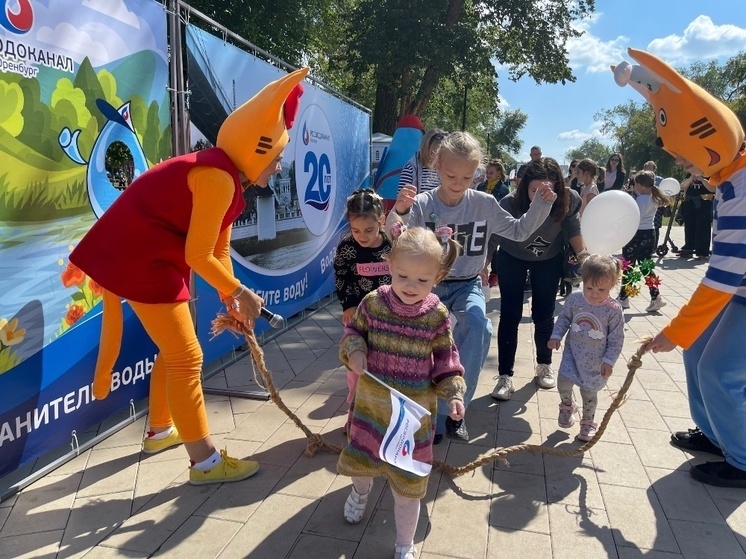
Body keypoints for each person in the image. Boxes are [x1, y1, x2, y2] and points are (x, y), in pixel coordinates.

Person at [70, 68, 310, 485]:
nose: (278, 167)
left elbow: (217, 251)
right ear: (258, 148)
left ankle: (160, 430)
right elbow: (198, 255)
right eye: (276, 157)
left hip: (150, 257)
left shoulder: (226, 177)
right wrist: (242, 294)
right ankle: (205, 464)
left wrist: (231, 299)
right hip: (143, 260)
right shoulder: (218, 179)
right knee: (188, 358)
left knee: (176, 351)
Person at [615, 47, 746, 487]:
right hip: (740, 291)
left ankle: (743, 459)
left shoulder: (741, 188)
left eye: (688, 160)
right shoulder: (731, 178)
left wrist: (675, 331)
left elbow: (720, 279)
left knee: (719, 370)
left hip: (739, 292)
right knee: (698, 355)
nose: (684, 167)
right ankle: (716, 434)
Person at [387, 132, 556, 442]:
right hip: (428, 287)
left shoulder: (483, 203)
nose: (458, 182)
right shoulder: (424, 204)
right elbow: (396, 237)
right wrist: (399, 211)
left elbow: (518, 231)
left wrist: (539, 208)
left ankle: (453, 412)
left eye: (467, 176)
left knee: (479, 326)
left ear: (477, 173)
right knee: (422, 343)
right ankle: (420, 414)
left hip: (467, 284)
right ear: (437, 166)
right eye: (451, 175)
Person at [337, 226, 465, 559]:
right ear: (389, 265)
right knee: (363, 467)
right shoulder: (372, 304)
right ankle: (360, 493)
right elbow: (353, 332)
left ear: (437, 276)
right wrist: (354, 351)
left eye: (422, 280)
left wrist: (453, 392)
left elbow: (446, 359)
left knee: (408, 489)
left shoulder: (436, 315)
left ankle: (404, 544)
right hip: (371, 410)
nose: (411, 286)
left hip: (411, 420)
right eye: (403, 275)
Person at [491, 158, 587, 401]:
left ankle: (544, 364)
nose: (542, 196)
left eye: (548, 190)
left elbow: (573, 228)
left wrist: (584, 257)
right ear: (525, 188)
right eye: (535, 190)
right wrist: (483, 263)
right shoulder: (509, 203)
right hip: (512, 257)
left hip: (548, 259)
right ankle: (505, 375)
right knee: (510, 315)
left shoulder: (569, 199)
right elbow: (494, 235)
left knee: (544, 314)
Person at [548, 254, 624, 441]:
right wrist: (556, 335)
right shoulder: (575, 300)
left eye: (601, 289)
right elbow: (564, 318)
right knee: (563, 383)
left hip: (595, 362)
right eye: (589, 287)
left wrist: (608, 361)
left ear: (612, 285)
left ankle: (588, 422)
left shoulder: (613, 310)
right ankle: (567, 406)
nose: (594, 293)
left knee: (589, 392)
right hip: (572, 354)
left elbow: (616, 339)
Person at [334, 189, 392, 430]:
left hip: (386, 315)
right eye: (355, 230)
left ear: (382, 221)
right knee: (355, 366)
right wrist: (347, 304)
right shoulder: (347, 246)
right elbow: (341, 276)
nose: (362, 236)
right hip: (357, 315)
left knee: (383, 364)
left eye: (369, 230)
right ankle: (355, 409)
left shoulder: (391, 245)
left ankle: (381, 413)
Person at [617, 170, 670, 312]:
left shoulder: (641, 199)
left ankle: (624, 297)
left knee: (628, 266)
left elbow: (635, 217)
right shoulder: (653, 198)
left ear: (639, 185)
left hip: (636, 235)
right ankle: (655, 296)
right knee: (646, 267)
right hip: (649, 234)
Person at [476, 158, 511, 287]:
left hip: (494, 223)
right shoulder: (480, 186)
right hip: (480, 221)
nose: (488, 175)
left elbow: (501, 208)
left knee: (493, 248)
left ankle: (494, 274)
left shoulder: (503, 189)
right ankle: (479, 269)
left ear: (498, 174)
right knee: (480, 246)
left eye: (491, 173)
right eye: (487, 172)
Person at [397, 129, 446, 195]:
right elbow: (401, 199)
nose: (438, 156)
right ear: (426, 149)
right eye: (434, 151)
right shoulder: (410, 169)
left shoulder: (446, 170)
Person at [678, 174, 715, 259]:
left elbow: (713, 188)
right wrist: (690, 179)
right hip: (690, 203)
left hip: (703, 204)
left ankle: (702, 251)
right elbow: (682, 187)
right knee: (689, 227)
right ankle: (688, 249)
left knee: (703, 228)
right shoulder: (690, 174)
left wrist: (702, 179)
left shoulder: (709, 174)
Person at [643, 160, 665, 246]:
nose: (649, 170)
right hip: (644, 204)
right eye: (647, 168)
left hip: (656, 205)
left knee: (656, 227)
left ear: (654, 169)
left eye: (650, 169)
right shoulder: (640, 179)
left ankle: (654, 246)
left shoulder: (660, 180)